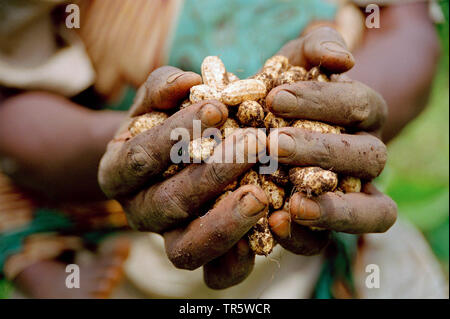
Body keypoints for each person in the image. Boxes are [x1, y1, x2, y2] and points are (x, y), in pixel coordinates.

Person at [0, 0, 446, 298]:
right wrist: (136, 146)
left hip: (344, 230)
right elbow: (9, 99)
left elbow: (407, 24)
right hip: (121, 250)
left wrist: (351, 109)